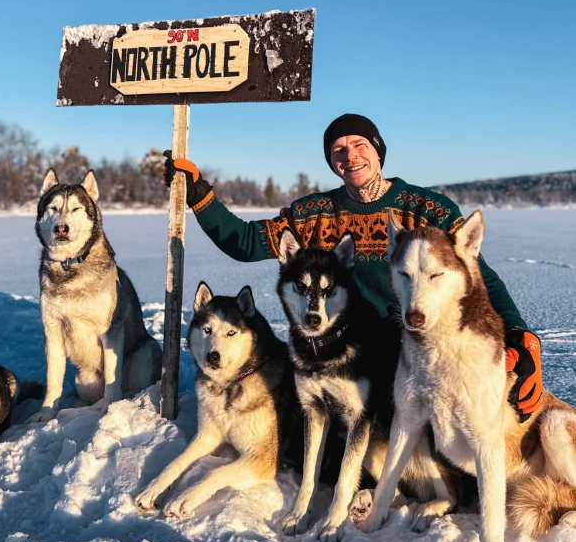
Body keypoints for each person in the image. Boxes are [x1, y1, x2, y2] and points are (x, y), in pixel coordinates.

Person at [164, 112, 543, 422]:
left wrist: (520, 335)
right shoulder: (314, 214)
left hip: (427, 346)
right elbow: (246, 243)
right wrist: (201, 196)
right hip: (352, 355)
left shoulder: (427, 209)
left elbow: (480, 277)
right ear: (332, 162)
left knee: (495, 417)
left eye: (360, 145)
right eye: (339, 150)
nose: (350, 156)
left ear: (379, 152)